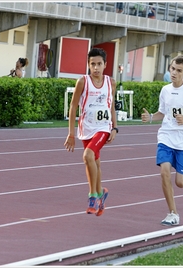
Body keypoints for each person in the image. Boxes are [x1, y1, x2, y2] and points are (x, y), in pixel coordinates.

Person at [141, 55, 183, 226]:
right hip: (166, 136)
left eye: (178, 71)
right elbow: (162, 113)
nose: (174, 73)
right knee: (164, 171)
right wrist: (150, 117)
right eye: (172, 69)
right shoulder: (165, 90)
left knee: (181, 183)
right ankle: (173, 213)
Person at [64, 47, 118, 216]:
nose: (96, 68)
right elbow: (73, 107)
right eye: (92, 64)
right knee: (94, 162)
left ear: (105, 65)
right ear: (88, 65)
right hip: (86, 128)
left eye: (99, 64)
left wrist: (114, 127)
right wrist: (71, 133)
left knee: (87, 156)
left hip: (103, 128)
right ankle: (101, 192)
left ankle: (93, 195)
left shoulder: (111, 82)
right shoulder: (83, 82)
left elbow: (111, 106)